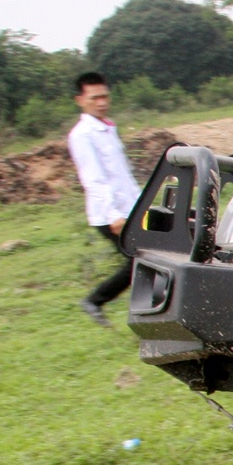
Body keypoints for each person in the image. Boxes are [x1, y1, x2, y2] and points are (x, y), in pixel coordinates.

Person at [66, 72, 140, 326]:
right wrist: (113, 215)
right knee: (141, 260)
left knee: (151, 257)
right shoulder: (82, 135)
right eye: (94, 98)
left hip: (131, 209)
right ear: (80, 100)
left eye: (104, 96)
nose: (101, 102)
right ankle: (95, 301)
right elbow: (93, 179)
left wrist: (143, 204)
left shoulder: (108, 128)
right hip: (110, 215)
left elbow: (123, 175)